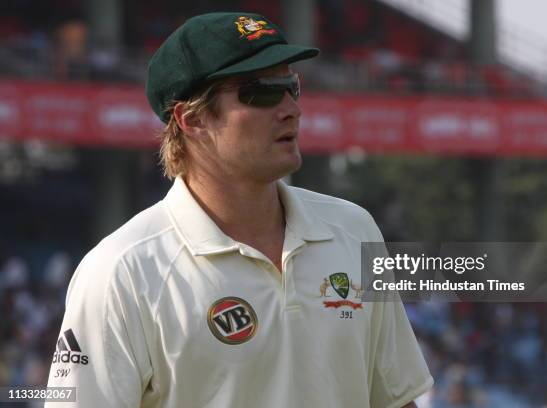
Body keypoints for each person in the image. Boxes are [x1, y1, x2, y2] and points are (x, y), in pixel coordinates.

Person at [46, 12, 433, 407]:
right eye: (260, 92)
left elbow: (394, 400)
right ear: (191, 118)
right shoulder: (121, 270)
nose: (290, 109)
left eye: (291, 87)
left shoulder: (354, 229)